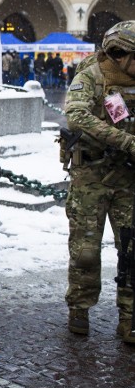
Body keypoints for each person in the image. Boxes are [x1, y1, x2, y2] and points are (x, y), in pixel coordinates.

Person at [63, 20, 135, 343]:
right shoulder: (92, 73)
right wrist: (124, 141)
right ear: (120, 53)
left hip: (128, 178)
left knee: (131, 249)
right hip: (91, 176)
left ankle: (129, 317)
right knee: (86, 251)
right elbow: (75, 114)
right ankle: (79, 306)